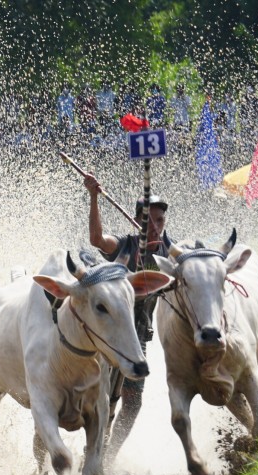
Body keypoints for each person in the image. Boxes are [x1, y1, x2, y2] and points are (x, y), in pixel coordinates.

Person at [84, 171, 171, 458]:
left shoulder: (168, 256)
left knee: (133, 404)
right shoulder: (126, 245)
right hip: (108, 336)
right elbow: (97, 239)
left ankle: (109, 458)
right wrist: (94, 196)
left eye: (160, 221)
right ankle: (91, 448)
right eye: (149, 220)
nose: (155, 226)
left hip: (137, 340)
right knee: (102, 399)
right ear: (138, 222)